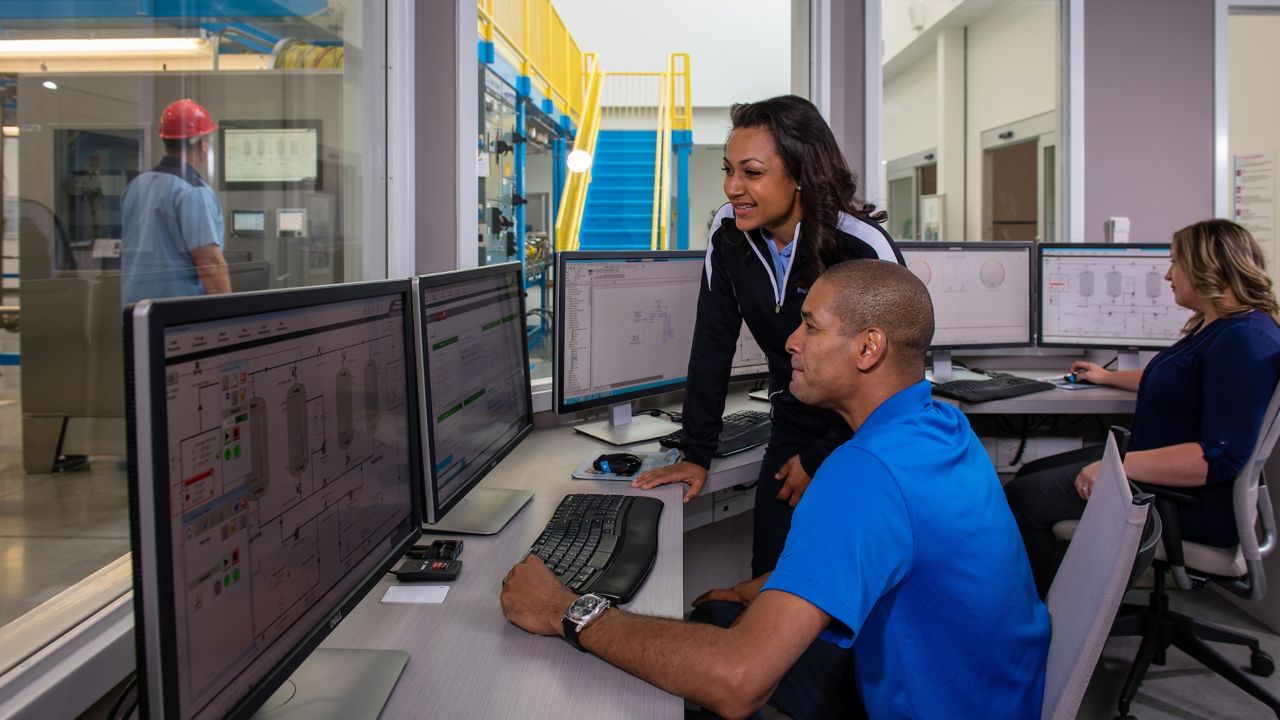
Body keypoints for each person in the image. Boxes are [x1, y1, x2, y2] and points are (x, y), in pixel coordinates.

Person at [502, 260, 1050, 720]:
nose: (790, 341)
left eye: (810, 326)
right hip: (994, 696)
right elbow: (905, 549)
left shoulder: (864, 472)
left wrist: (568, 611)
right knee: (721, 615)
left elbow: (740, 684)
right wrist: (775, 584)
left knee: (669, 676)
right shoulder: (940, 426)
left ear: (868, 349)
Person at [632, 95, 903, 578]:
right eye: (728, 170)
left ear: (799, 173)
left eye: (751, 173)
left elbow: (899, 378)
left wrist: (822, 459)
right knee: (772, 578)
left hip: (865, 432)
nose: (733, 187)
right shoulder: (729, 231)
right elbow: (713, 342)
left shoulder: (861, 245)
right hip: (794, 420)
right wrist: (697, 452)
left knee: (849, 584)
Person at [1005, 219, 1280, 598]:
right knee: (1029, 473)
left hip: (1188, 503)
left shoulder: (1243, 343)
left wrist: (1119, 468)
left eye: (1175, 264)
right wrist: (1105, 377)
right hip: (1160, 469)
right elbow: (1177, 379)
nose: (1168, 275)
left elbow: (1218, 458)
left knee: (1024, 499)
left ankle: (1061, 623)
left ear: (1206, 268)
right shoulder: (1221, 327)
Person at [121, 98, 230, 306]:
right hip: (177, 318)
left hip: (135, 311)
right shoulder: (193, 191)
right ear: (201, 143)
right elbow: (209, 263)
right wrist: (230, 317)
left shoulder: (136, 185)